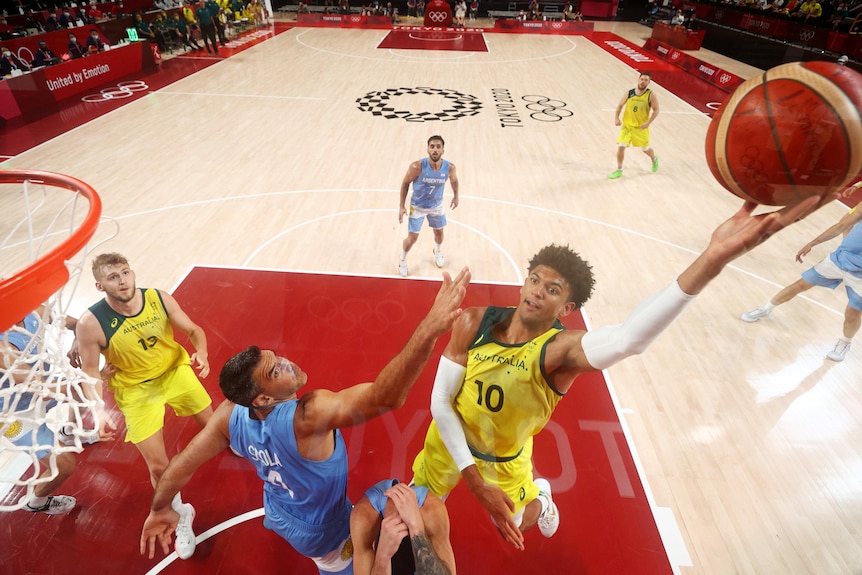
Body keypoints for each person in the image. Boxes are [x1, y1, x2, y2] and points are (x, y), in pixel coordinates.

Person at [410, 195, 836, 550]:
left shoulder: (558, 352)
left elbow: (630, 338)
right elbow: (440, 404)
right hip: (447, 446)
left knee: (516, 523)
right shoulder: (474, 322)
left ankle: (542, 497)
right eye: (534, 280)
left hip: (505, 460)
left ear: (568, 308)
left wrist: (712, 259)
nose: (537, 291)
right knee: (414, 519)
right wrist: (473, 481)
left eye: (553, 290)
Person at [139, 268, 471, 572]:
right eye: (275, 371)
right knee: (359, 558)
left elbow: (183, 463)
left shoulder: (230, 414)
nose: (287, 362)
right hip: (325, 530)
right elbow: (387, 396)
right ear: (264, 399)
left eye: (276, 357)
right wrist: (429, 328)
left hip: (279, 512)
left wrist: (159, 507)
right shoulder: (308, 415)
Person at [76, 252, 212, 560]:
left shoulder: (159, 299)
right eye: (113, 276)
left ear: (133, 272)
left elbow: (193, 330)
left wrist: (201, 351)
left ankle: (247, 447)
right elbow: (90, 369)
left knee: (213, 423)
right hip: (136, 390)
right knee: (158, 467)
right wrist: (97, 408)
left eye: (125, 272)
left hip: (175, 371)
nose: (122, 280)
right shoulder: (90, 323)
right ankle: (179, 513)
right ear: (100, 285)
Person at [1, 309, 112, 515]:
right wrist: (95, 378)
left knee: (81, 391)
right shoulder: (2, 348)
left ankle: (68, 432)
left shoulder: (34, 309)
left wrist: (78, 340)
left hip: (40, 388)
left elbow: (76, 324)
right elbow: (43, 389)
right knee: (64, 465)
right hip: (13, 413)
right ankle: (36, 501)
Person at [740, 201, 862, 362]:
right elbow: (842, 225)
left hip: (859, 274)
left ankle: (845, 342)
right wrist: (814, 242)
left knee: (853, 312)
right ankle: (766, 309)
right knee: (801, 284)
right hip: (839, 259)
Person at [350, 479, 455, 575]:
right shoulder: (431, 510)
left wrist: (382, 557)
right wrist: (416, 527)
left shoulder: (363, 516)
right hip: (420, 510)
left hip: (377, 514)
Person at [398, 135, 460, 278]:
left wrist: (456, 196)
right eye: (432, 146)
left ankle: (437, 251)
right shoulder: (417, 167)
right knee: (412, 238)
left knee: (439, 234)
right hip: (417, 207)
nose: (435, 150)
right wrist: (401, 206)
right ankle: (402, 259)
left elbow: (454, 181)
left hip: (436, 206)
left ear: (443, 150)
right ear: (427, 149)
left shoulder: (449, 168)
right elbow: (405, 183)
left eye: (438, 147)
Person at [608, 71, 660, 179]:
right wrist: (616, 118)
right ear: (638, 79)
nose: (643, 82)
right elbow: (619, 105)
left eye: (646, 80)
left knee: (645, 149)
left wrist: (648, 122)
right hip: (627, 127)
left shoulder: (651, 95)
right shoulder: (629, 93)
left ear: (649, 82)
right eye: (642, 79)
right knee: (621, 147)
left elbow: (656, 110)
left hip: (641, 128)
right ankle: (619, 170)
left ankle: (654, 159)